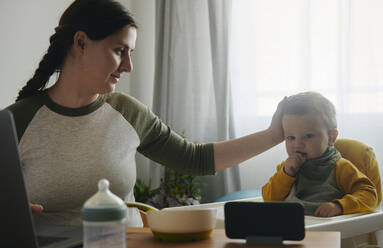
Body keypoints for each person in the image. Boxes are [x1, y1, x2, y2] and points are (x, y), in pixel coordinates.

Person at [6, 0, 285, 227]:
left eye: (131, 53)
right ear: (81, 43)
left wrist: (274, 136)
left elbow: (195, 158)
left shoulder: (127, 112)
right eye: (119, 51)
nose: (128, 66)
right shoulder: (17, 120)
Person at [262, 91, 378, 217]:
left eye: (308, 136)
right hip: (294, 229)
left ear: (331, 137)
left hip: (329, 231)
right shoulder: (286, 168)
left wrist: (339, 206)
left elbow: (370, 195)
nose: (298, 144)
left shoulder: (340, 167)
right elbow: (269, 199)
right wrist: (286, 174)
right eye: (291, 137)